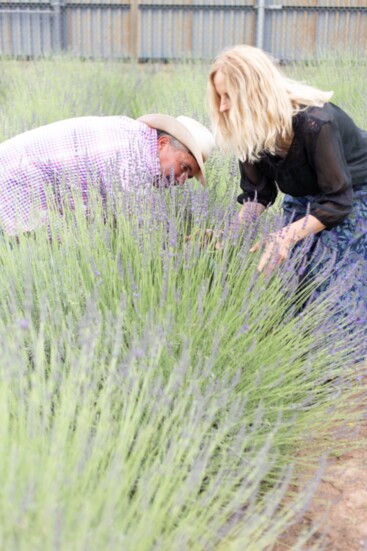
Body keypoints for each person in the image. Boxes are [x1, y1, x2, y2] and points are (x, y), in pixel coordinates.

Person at [208, 44, 367, 316]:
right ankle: (304, 348)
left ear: (253, 94)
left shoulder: (316, 122)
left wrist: (285, 235)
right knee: (292, 276)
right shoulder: (251, 129)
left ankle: (346, 355)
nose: (222, 107)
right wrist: (232, 235)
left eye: (228, 96)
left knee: (333, 283)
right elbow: (258, 195)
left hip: (352, 192)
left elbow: (338, 201)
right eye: (219, 97)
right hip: (307, 194)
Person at [0, 114, 215, 236]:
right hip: (16, 180)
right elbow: (140, 225)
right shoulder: (136, 155)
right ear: (163, 143)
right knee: (37, 255)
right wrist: (185, 242)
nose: (182, 180)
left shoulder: (136, 135)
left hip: (17, 171)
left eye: (189, 176)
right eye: (184, 167)